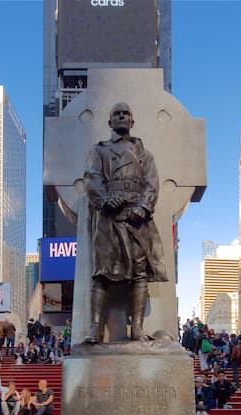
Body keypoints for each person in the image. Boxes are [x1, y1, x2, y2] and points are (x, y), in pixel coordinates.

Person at [83, 102, 168, 343]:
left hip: (136, 218)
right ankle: (95, 328)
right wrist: (105, 200)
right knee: (102, 274)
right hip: (108, 217)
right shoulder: (99, 150)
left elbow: (152, 184)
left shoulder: (145, 155)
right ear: (110, 122)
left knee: (139, 273)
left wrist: (143, 208)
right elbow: (91, 179)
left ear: (132, 121)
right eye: (116, 114)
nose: (121, 117)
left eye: (126, 114)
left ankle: (138, 328)